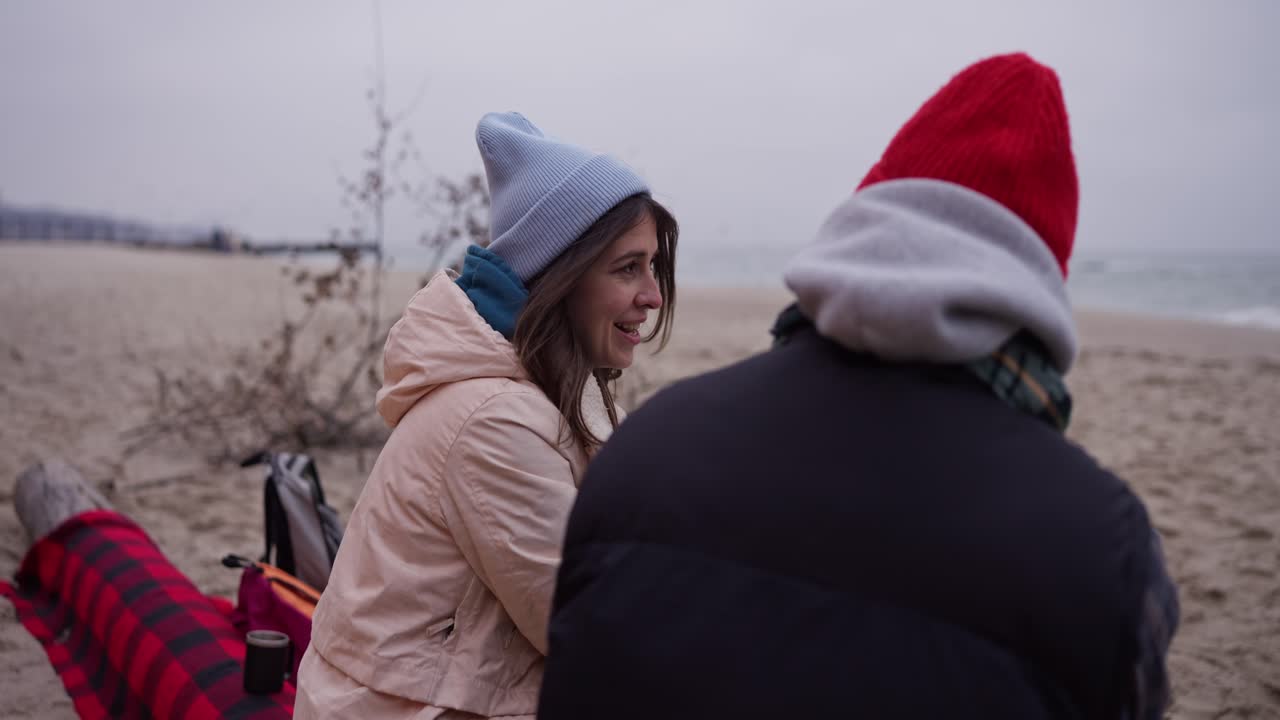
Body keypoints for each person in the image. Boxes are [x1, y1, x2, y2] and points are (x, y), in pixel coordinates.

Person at [538, 53, 1179, 719]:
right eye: (628, 268)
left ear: (860, 235)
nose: (649, 294)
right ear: (1037, 292)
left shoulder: (646, 447)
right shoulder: (1101, 549)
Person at [296, 111, 678, 719]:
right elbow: (593, 631)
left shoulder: (555, 390)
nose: (653, 295)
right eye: (628, 268)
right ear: (560, 277)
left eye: (652, 267)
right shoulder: (495, 420)